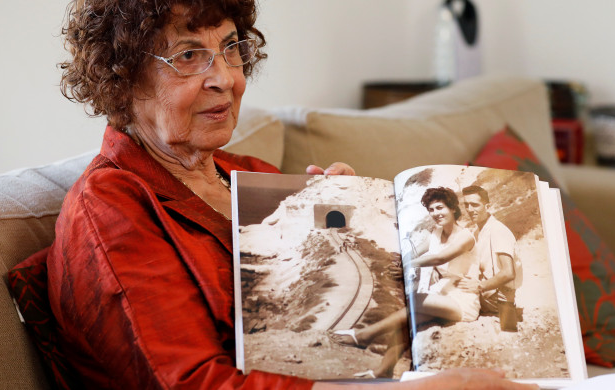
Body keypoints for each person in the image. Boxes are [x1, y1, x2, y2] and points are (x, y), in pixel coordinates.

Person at [43, 0, 534, 389]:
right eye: (189, 55)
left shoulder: (252, 176)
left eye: (231, 48)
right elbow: (189, 382)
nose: (225, 78)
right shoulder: (111, 208)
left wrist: (362, 218)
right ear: (123, 77)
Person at [330, 187, 481, 378]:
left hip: (462, 298)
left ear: (452, 208)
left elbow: (439, 258)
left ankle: (363, 336)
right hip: (442, 294)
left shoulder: (466, 237)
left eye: (440, 208)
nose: (436, 213)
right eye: (431, 209)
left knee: (414, 300)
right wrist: (398, 262)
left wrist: (407, 266)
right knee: (408, 319)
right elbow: (415, 252)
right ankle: (382, 371)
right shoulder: (436, 232)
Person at [461, 185, 519, 316]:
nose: (469, 210)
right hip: (488, 292)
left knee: (446, 297)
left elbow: (509, 273)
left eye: (475, 205)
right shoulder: (477, 231)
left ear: (487, 207)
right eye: (466, 205)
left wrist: (478, 286)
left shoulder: (498, 230)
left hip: (500, 299)